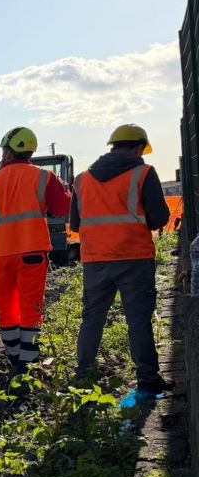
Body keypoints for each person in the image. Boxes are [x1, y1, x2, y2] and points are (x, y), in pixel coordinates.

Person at [71, 123, 173, 394]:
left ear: (113, 147)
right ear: (139, 147)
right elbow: (160, 218)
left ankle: (83, 376)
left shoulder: (82, 179)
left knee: (92, 317)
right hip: (134, 258)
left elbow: (76, 223)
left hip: (95, 260)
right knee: (138, 320)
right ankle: (148, 379)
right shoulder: (143, 173)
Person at [0, 126, 71, 374]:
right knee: (30, 303)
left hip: (2, 253)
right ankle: (28, 360)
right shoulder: (44, 177)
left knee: (7, 303)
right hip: (33, 252)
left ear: (8, 151)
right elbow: (62, 207)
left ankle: (13, 355)